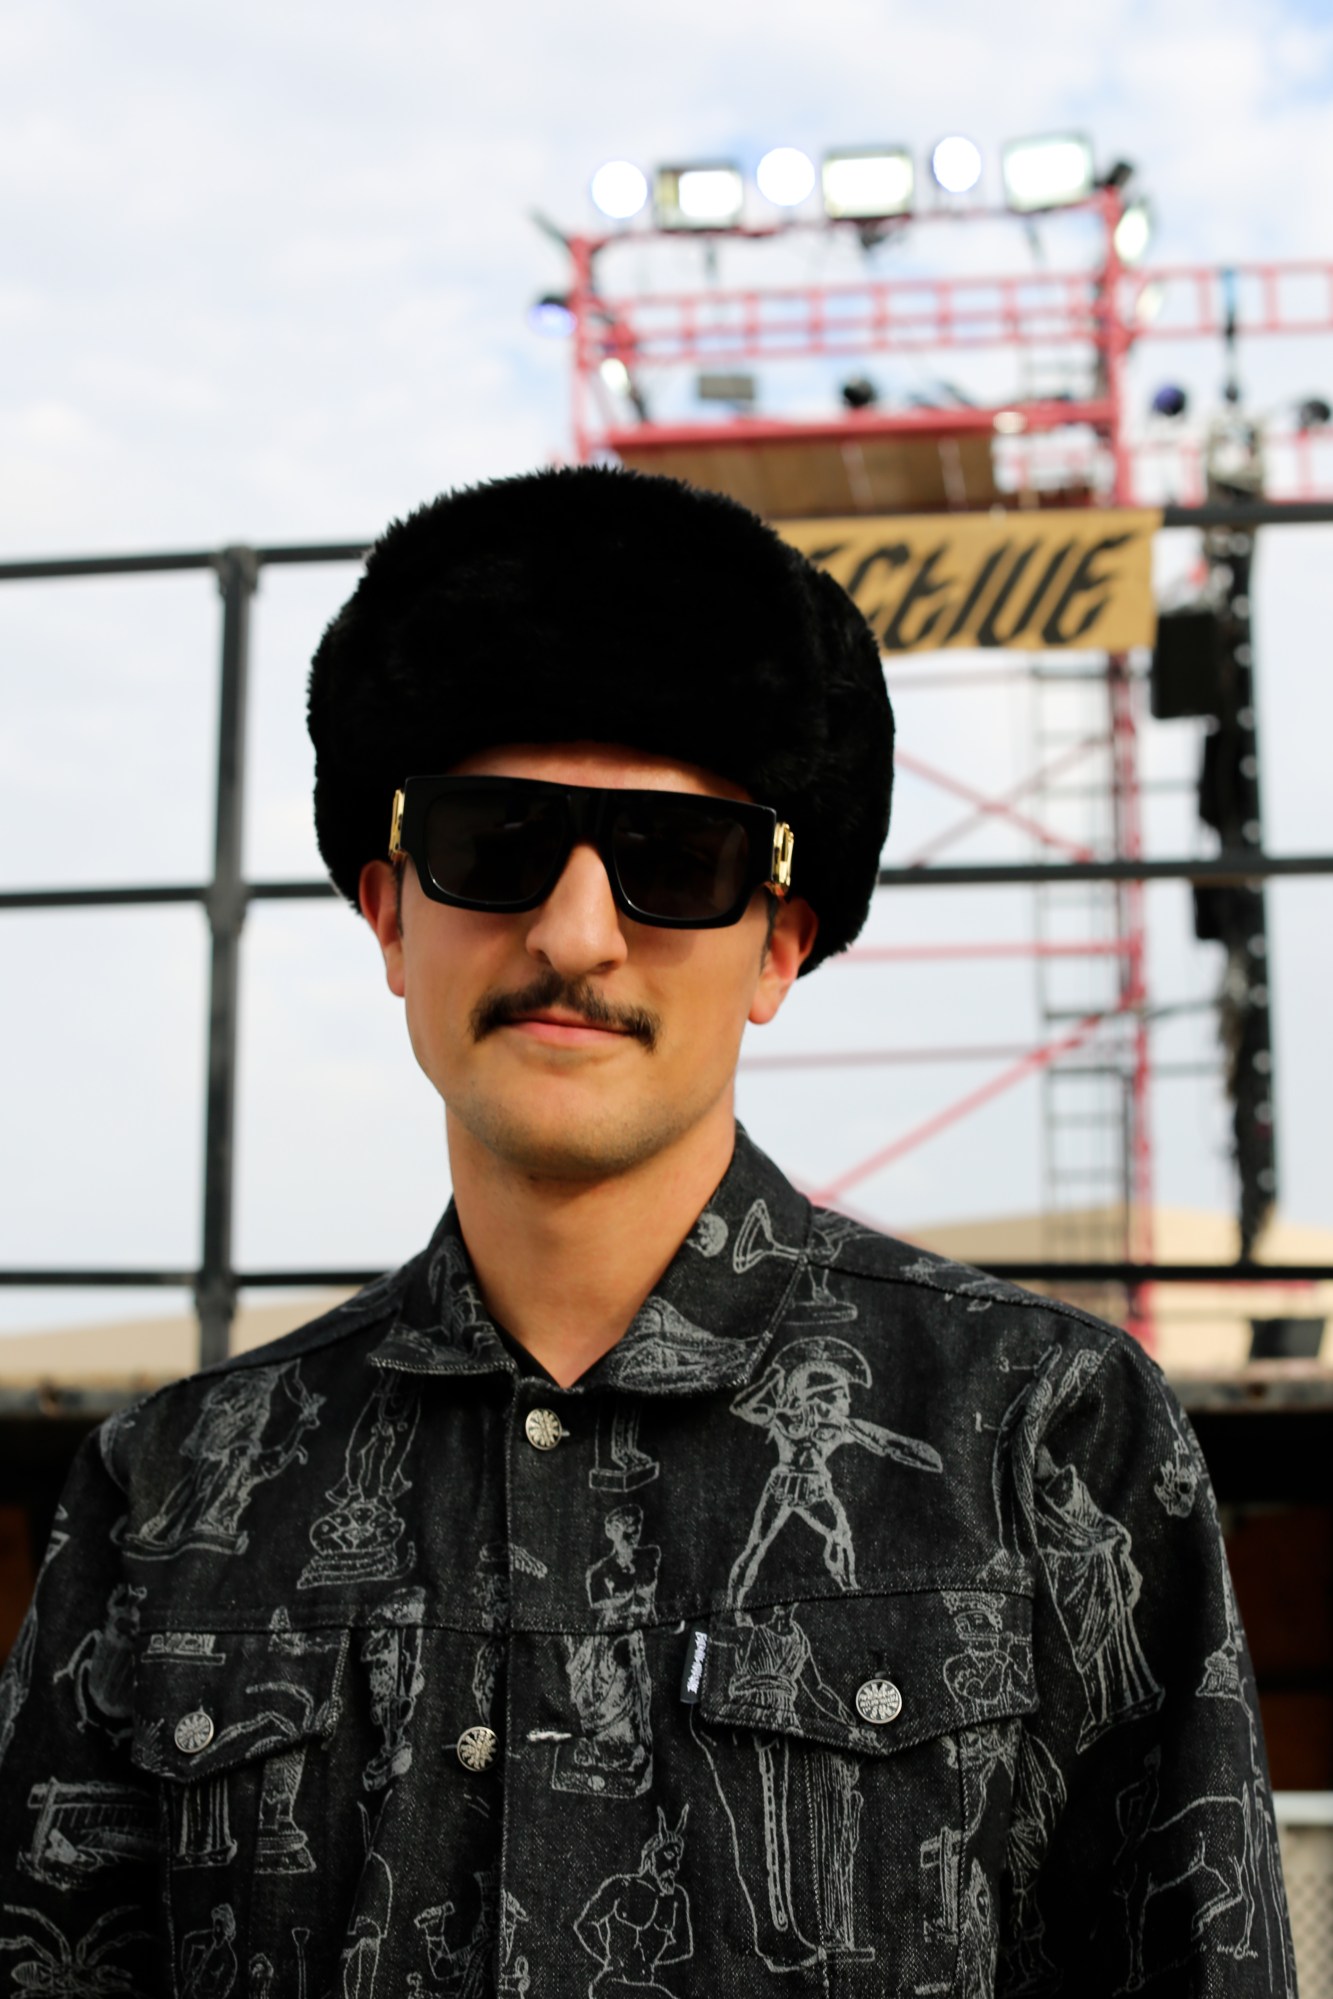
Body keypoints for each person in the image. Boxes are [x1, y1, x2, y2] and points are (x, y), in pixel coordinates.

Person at [0, 467, 1294, 1995]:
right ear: (391, 913)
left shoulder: (1044, 1437)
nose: (573, 933)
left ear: (779, 942)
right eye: (495, 843)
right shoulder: (167, 1492)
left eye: (674, 863)